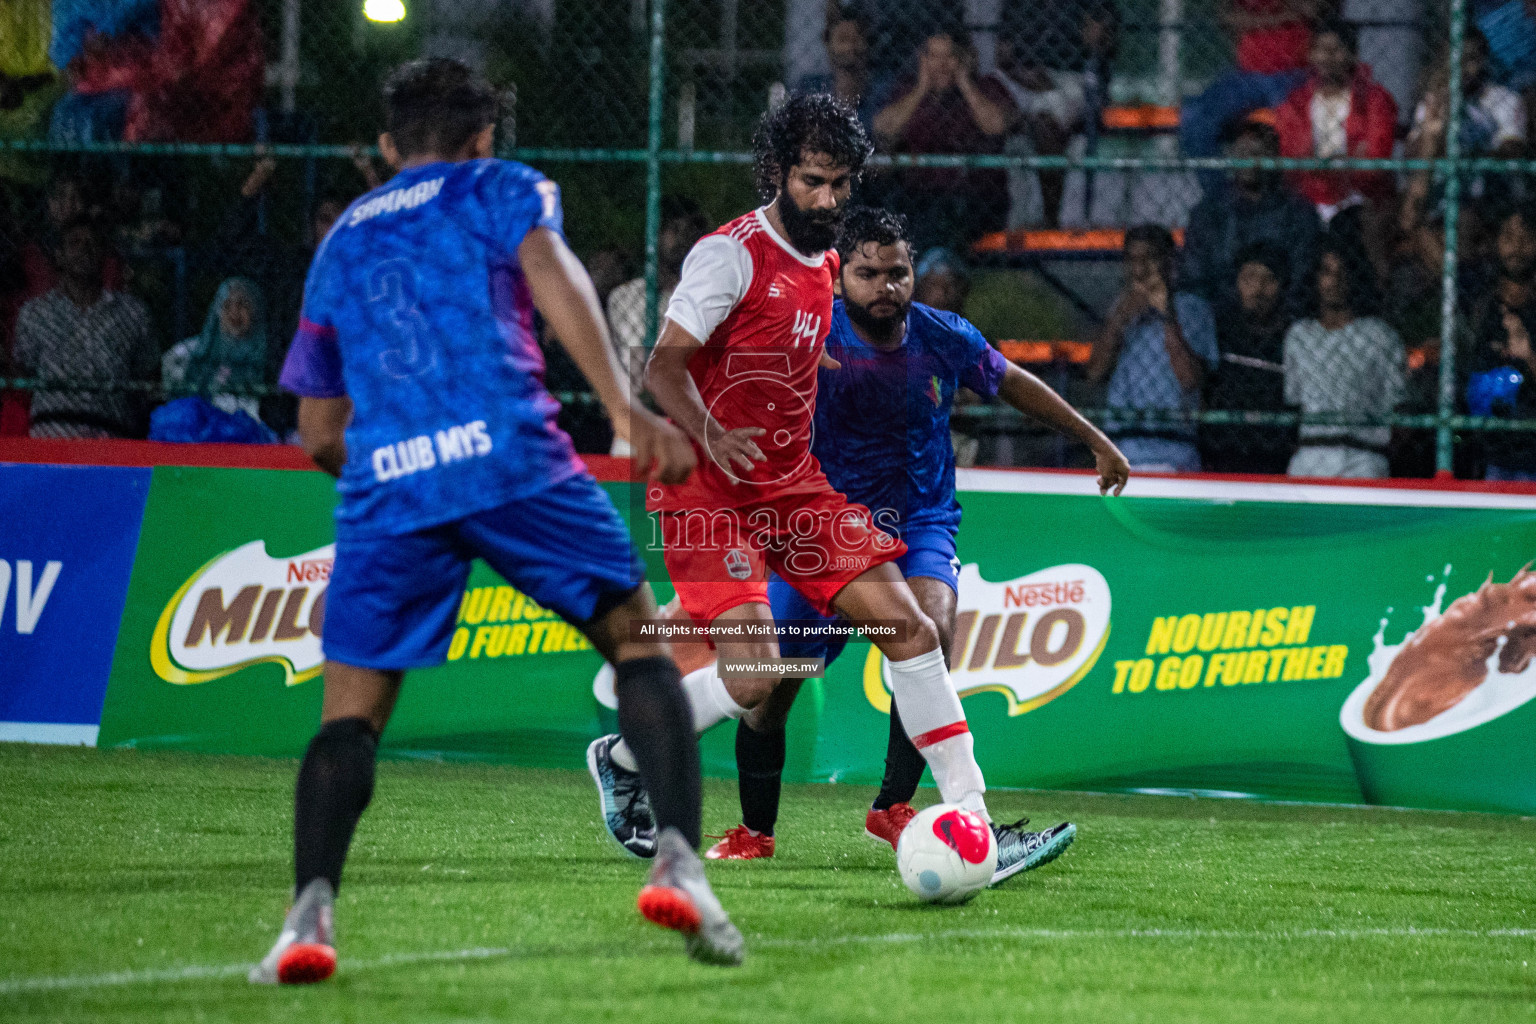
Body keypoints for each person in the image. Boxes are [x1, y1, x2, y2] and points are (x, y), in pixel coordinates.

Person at [253, 57, 741, 985]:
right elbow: (552, 271)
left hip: (389, 489)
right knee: (638, 644)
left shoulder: (343, 238)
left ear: (390, 145)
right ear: (483, 138)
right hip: (513, 457)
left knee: (349, 720)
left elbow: (318, 428)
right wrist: (625, 411)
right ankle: (680, 856)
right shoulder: (503, 186)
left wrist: (404, 462)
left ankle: (307, 918)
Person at [586, 94, 1068, 884]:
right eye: (815, 182)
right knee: (754, 679)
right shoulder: (728, 255)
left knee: (911, 630)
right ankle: (626, 755)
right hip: (709, 498)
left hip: (793, 491)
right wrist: (712, 432)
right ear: (778, 173)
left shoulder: (827, 262)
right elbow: (663, 366)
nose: (831, 200)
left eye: (843, 183)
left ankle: (977, 823)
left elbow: (780, 345)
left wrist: (804, 368)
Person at [697, 205, 1128, 860]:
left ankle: (895, 807)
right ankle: (755, 830)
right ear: (841, 278)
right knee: (767, 689)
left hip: (918, 522)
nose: (887, 287)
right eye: (869, 274)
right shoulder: (811, 339)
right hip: (821, 532)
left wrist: (1094, 440)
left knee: (931, 628)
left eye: (898, 272)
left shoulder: (942, 335)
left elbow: (1014, 382)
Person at [1087, 225, 1220, 472]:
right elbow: (1094, 373)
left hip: (1175, 448)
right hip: (1121, 446)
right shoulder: (1121, 306)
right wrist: (1120, 319)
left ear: (1169, 262)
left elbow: (1190, 380)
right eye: (1132, 260)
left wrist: (1166, 313)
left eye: (1149, 259)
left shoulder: (1192, 308)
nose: (1140, 270)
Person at [12, 216, 157, 438]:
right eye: (74, 243)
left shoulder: (132, 313)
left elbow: (147, 375)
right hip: (51, 432)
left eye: (92, 244)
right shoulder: (35, 313)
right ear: (59, 256)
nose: (84, 250)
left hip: (112, 434)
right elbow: (24, 373)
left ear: (103, 254)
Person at [872, 31, 1014, 250]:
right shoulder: (908, 89)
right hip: (919, 197)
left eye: (950, 56)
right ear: (922, 60)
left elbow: (995, 126)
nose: (942, 65)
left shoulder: (987, 86)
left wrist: (965, 83)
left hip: (974, 198)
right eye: (934, 57)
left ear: (965, 59)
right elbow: (883, 128)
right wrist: (921, 90)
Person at [1273, 18, 1398, 259]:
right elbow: (1290, 158)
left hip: (1359, 196)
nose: (1328, 57)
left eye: (1337, 49)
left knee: (1361, 226)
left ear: (1352, 55)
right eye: (1320, 49)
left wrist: (1319, 163)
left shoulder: (1374, 100)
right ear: (1311, 55)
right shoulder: (1296, 103)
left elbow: (1374, 161)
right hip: (1307, 197)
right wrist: (1348, 159)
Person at [1283, 234, 1406, 478]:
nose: (1336, 281)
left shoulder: (1379, 335)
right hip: (1311, 452)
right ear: (1315, 278)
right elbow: (1294, 402)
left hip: (1364, 456)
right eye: (1327, 271)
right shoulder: (1298, 336)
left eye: (1343, 272)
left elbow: (1399, 406)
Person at [1179, 0, 1325, 193]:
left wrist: (1255, 19)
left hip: (1296, 74)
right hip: (1246, 76)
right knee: (1194, 116)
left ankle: (1295, 202)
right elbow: (1227, 18)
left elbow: (1314, 9)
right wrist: (1284, 15)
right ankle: (1220, 199)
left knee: (1297, 128)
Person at [605, 195, 709, 455]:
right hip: (639, 415)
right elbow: (627, 365)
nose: (683, 239)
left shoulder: (706, 297)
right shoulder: (625, 297)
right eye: (674, 230)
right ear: (656, 233)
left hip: (693, 415)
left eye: (690, 232)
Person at [1182, 120, 1320, 314]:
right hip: (1218, 314)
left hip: (1280, 316)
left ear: (1273, 157)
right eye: (1243, 153)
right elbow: (1194, 275)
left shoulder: (1297, 212)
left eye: (1258, 153)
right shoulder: (1209, 212)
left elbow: (1302, 276)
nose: (1250, 160)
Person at [1402, 29, 1529, 237]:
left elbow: (1511, 149)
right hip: (1438, 189)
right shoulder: (1435, 100)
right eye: (1455, 58)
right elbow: (1411, 154)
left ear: (1483, 61)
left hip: (1488, 192)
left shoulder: (1504, 99)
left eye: (1470, 59)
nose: (1462, 67)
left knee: (1464, 217)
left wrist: (1466, 158)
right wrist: (1434, 134)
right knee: (1407, 214)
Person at [1200, 240, 1298, 473]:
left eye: (1269, 279)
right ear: (1236, 282)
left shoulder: (1294, 337)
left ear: (1282, 286)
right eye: (1249, 278)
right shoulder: (1219, 331)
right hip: (1223, 452)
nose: (1258, 289)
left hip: (1277, 456)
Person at [987, 30, 1087, 229]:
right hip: (1011, 98)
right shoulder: (995, 79)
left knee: (1046, 123)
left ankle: (1051, 218)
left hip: (1060, 80)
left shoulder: (1067, 85)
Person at [161, 277, 267, 422]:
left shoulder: (267, 357)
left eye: (243, 305)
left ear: (255, 312)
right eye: (227, 305)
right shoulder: (193, 350)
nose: (234, 312)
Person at [792, 14, 886, 135]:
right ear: (828, 44)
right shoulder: (810, 87)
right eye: (843, 39)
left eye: (857, 39)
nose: (850, 47)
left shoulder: (881, 88)